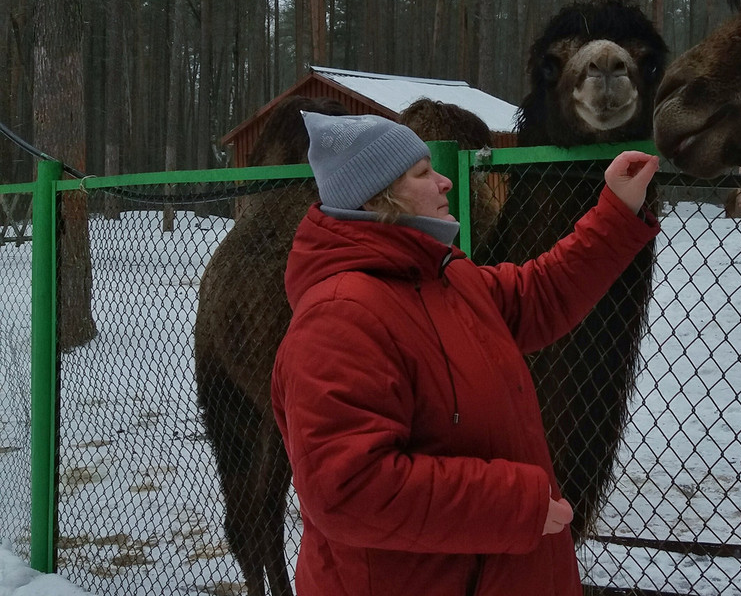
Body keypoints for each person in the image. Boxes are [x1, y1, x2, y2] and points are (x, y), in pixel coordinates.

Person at [271, 112, 661, 596]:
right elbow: (349, 489)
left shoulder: (446, 278)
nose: (443, 183)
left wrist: (617, 211)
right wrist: (516, 506)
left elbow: (539, 294)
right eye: (421, 174)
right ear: (377, 198)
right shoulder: (338, 319)